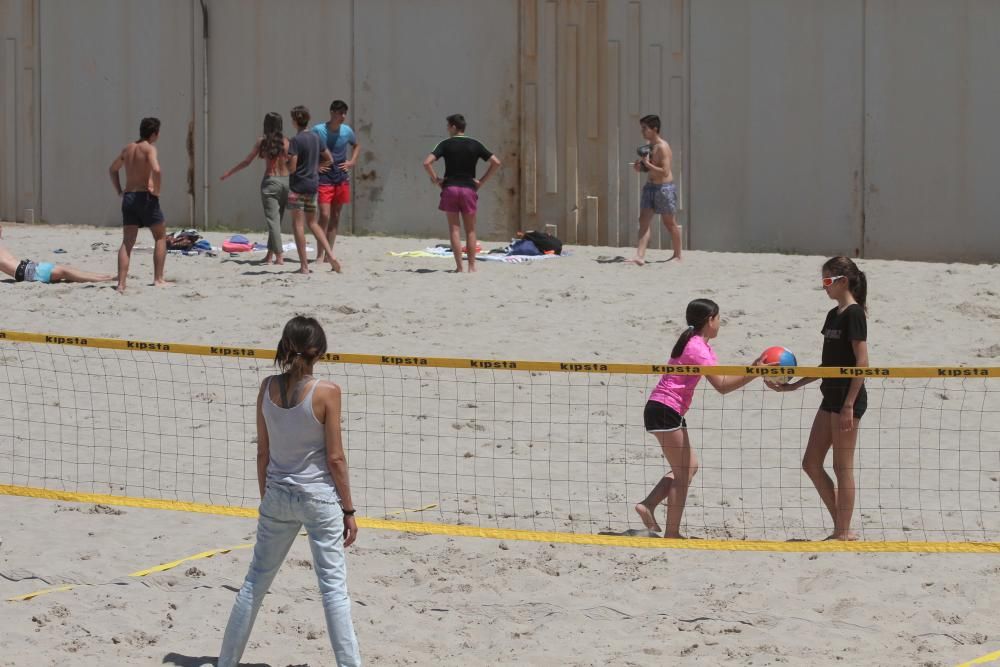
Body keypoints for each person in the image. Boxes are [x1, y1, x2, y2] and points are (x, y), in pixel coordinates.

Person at [215, 316, 361, 666]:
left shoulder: (267, 387)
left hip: (278, 493)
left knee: (253, 584)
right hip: (319, 498)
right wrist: (349, 510)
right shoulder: (327, 391)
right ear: (320, 351)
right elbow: (336, 458)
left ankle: (225, 663)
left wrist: (269, 499)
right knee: (333, 593)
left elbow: (262, 452)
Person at [633, 299, 762, 538]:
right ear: (709, 320)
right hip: (664, 409)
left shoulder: (696, 343)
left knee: (689, 467)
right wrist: (754, 371)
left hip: (665, 409)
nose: (720, 323)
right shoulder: (697, 347)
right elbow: (722, 386)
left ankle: (648, 505)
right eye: (718, 318)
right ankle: (672, 533)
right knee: (683, 473)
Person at [765, 257, 869, 541]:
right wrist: (794, 385)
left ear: (842, 281)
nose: (824, 287)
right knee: (811, 463)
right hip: (830, 397)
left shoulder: (854, 314)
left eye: (827, 281)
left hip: (849, 400)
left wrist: (849, 404)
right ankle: (842, 526)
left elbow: (862, 362)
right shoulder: (833, 316)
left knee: (842, 467)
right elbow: (828, 365)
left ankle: (842, 533)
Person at [422, 114, 502, 273]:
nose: (447, 129)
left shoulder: (445, 144)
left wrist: (437, 179)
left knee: (454, 229)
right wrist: (481, 181)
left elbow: (427, 162)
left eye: (448, 126)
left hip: (450, 188)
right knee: (471, 230)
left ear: (453, 127)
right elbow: (496, 162)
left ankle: (459, 267)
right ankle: (472, 267)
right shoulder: (475, 144)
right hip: (468, 189)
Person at [109, 117, 173, 293]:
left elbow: (113, 169)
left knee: (127, 242)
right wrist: (157, 190)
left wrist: (119, 191)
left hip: (129, 197)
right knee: (160, 236)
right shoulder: (149, 149)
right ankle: (158, 279)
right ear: (154, 133)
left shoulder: (128, 149)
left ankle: (121, 283)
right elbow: (157, 169)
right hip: (145, 197)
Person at [220, 112, 291, 265]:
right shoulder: (286, 142)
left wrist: (229, 173)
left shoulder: (263, 141)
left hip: (271, 181)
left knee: (273, 222)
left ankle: (279, 257)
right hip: (286, 181)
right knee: (277, 221)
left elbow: (247, 161)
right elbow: (293, 163)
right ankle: (270, 255)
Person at [287, 106, 340, 274]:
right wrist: (316, 166)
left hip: (297, 187)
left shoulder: (296, 141)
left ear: (295, 122)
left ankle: (304, 266)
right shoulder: (316, 137)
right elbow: (330, 159)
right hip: (312, 185)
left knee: (298, 225)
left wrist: (286, 163)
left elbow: (293, 168)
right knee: (313, 223)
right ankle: (330, 255)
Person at [628, 114, 681, 265]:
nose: (642, 131)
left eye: (645, 128)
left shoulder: (663, 147)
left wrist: (648, 164)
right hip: (650, 187)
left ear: (654, 129)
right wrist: (640, 167)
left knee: (669, 223)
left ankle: (678, 255)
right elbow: (649, 168)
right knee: (643, 220)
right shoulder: (648, 147)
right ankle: (640, 256)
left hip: (664, 189)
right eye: (642, 128)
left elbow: (664, 171)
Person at [312, 100, 359, 267]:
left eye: (345, 113)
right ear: (332, 112)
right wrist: (316, 166)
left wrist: (352, 161)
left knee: (336, 216)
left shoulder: (347, 131)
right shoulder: (318, 130)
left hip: (341, 177)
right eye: (340, 113)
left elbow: (356, 145)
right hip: (324, 178)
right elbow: (307, 149)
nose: (343, 116)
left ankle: (328, 254)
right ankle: (319, 254)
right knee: (324, 215)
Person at [0, 242, 114, 284]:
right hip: (26, 272)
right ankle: (104, 279)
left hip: (29, 267)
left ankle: (103, 277)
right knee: (65, 272)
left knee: (66, 270)